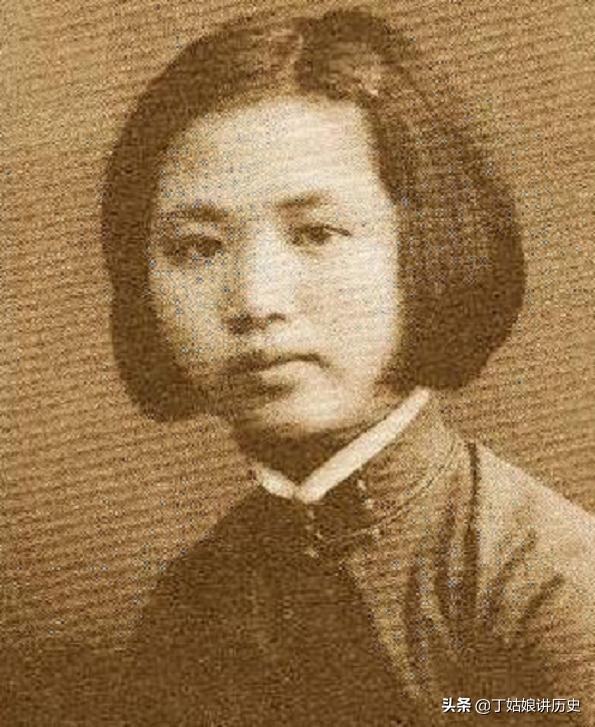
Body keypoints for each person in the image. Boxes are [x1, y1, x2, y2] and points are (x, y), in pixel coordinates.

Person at [102, 7, 595, 726]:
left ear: (426, 246)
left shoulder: (548, 587)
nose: (255, 300)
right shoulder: (191, 603)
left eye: (316, 233)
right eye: (198, 247)